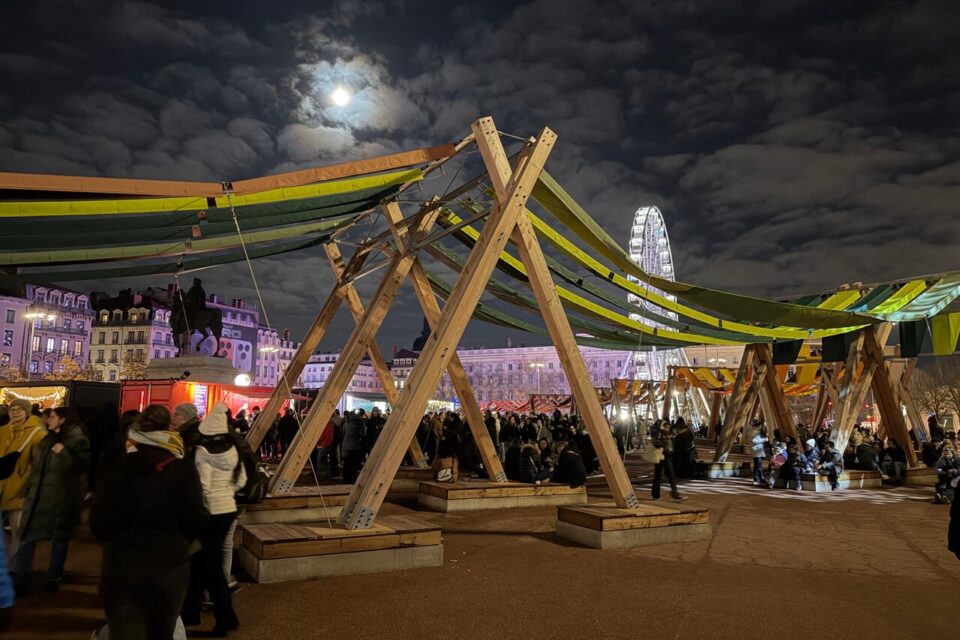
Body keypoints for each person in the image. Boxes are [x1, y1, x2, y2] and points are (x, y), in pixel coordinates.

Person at [91, 405, 207, 640]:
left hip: (123, 563)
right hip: (168, 564)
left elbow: (99, 522)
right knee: (162, 631)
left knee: (124, 630)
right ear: (168, 430)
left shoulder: (117, 468)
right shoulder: (181, 468)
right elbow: (196, 518)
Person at [10, 407, 90, 594]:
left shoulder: (79, 440)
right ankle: (22, 578)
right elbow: (37, 468)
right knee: (27, 537)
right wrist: (26, 489)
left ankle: (54, 577)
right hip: (38, 497)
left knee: (59, 539)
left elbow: (80, 468)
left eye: (52, 417)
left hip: (62, 498)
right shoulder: (47, 439)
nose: (48, 421)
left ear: (62, 420)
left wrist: (63, 453)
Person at [181, 403, 244, 636]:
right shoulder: (232, 450)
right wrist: (227, 491)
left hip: (210, 511)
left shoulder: (202, 452)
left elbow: (203, 487)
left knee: (209, 566)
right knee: (202, 562)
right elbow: (241, 481)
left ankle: (225, 617)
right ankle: (191, 611)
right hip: (228, 508)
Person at [0, 399, 47, 556]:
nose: (14, 412)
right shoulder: (2, 431)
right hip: (1, 487)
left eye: (19, 409)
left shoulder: (37, 434)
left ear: (27, 412)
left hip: (20, 489)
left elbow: (40, 464)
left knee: (18, 533)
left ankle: (16, 569)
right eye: (12, 409)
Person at [650, 420, 683, 501]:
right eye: (666, 427)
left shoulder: (668, 434)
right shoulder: (658, 433)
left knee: (671, 475)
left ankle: (675, 494)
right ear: (662, 426)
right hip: (661, 456)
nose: (668, 429)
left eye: (669, 427)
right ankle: (655, 495)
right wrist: (665, 439)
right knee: (658, 475)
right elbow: (655, 443)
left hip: (668, 456)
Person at [341, 409, 366, 484]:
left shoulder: (346, 423)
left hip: (346, 445)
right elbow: (362, 434)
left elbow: (343, 434)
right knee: (353, 465)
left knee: (347, 464)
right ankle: (352, 480)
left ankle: (345, 479)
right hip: (355, 446)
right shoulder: (359, 423)